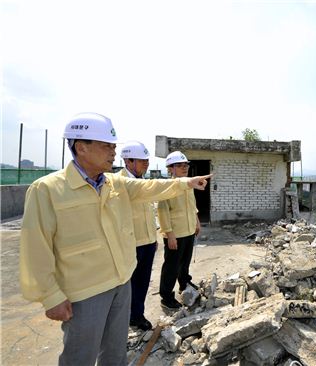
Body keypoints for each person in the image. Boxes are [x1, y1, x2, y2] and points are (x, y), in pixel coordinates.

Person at [19, 112, 211, 366]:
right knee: (81, 356)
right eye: (106, 146)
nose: (112, 152)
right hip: (84, 292)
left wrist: (186, 182)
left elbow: (150, 187)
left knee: (115, 353)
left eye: (113, 146)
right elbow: (36, 248)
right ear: (81, 147)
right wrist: (51, 295)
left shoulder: (114, 184)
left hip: (121, 282)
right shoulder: (47, 190)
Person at [118, 140, 156, 331]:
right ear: (128, 161)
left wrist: (154, 238)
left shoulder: (143, 182)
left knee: (142, 282)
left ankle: (137, 315)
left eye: (147, 161)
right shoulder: (118, 182)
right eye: (142, 161)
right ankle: (123, 318)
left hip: (149, 241)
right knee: (127, 286)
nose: (146, 164)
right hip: (130, 244)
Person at [158, 151, 200, 309]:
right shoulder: (166, 187)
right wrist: (169, 235)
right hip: (175, 234)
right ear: (170, 168)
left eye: (186, 165)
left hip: (188, 230)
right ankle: (166, 297)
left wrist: (196, 222)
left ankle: (184, 283)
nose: (184, 168)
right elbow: (162, 212)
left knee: (185, 262)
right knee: (171, 266)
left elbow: (192, 206)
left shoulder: (189, 184)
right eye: (180, 165)